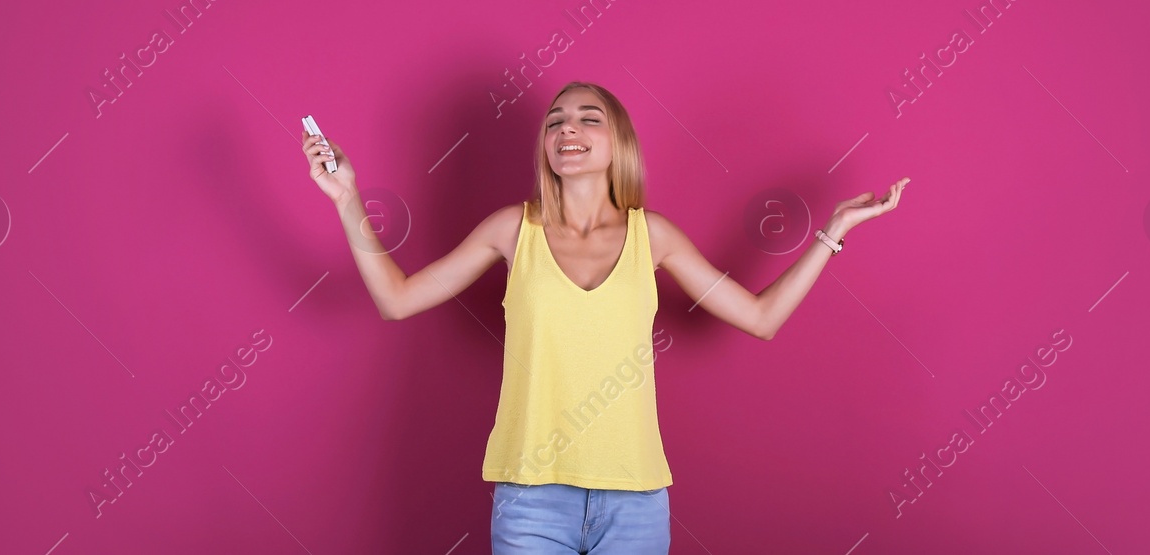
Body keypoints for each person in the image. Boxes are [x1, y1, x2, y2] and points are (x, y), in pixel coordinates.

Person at [300, 79, 907, 554]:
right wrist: (348, 198)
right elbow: (396, 298)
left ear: (618, 141)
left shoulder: (655, 236)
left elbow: (760, 317)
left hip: (636, 502)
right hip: (531, 500)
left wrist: (833, 232)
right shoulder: (513, 229)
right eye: (556, 121)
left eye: (590, 119)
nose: (569, 129)